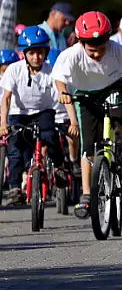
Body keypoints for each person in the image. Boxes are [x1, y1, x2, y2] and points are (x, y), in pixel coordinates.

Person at [53, 11, 122, 218]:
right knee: (88, 148)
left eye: (102, 49)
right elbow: (59, 78)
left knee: (120, 113)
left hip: (111, 88)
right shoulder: (72, 54)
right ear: (81, 43)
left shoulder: (116, 49)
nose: (98, 54)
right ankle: (86, 195)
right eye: (92, 51)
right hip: (86, 95)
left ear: (108, 40)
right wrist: (64, 93)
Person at [0, 27, 71, 203]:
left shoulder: (52, 72)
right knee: (15, 148)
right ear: (24, 54)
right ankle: (15, 187)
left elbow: (65, 97)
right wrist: (3, 123)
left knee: (51, 136)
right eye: (31, 53)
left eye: (39, 53)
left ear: (46, 52)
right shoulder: (13, 70)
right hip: (19, 113)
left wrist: (73, 123)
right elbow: (6, 99)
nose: (36, 57)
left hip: (43, 112)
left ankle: (59, 167)